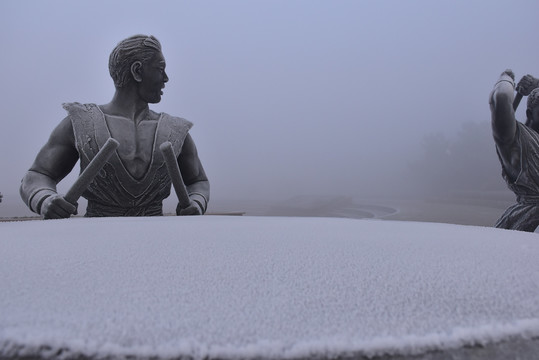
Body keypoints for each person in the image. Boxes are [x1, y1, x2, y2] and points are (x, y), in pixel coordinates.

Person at [20, 35, 209, 219]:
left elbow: (198, 181)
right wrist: (45, 199)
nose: (166, 78)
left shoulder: (175, 130)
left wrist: (196, 202)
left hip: (157, 237)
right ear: (137, 71)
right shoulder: (83, 122)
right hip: (96, 238)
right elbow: (37, 175)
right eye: (160, 69)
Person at [489, 70, 539, 231]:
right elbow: (502, 98)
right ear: (530, 113)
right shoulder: (515, 140)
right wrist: (507, 77)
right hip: (526, 225)